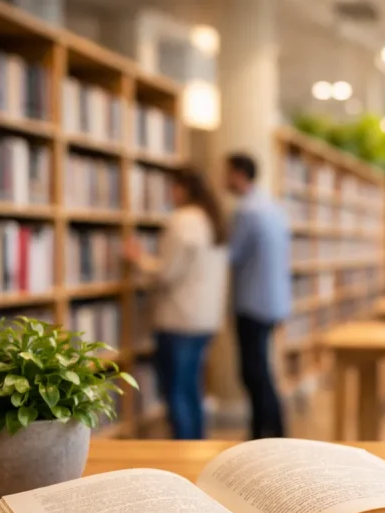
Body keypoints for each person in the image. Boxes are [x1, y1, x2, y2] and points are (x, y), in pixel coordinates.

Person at [124, 167, 228, 440]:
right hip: (205, 319)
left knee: (176, 392)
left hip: (180, 318)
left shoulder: (183, 221)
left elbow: (166, 272)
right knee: (192, 389)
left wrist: (139, 259)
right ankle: (196, 450)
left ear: (183, 188)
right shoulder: (211, 219)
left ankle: (183, 451)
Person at [226, 152, 291, 440]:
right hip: (275, 301)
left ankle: (262, 435)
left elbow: (232, 254)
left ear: (239, 174)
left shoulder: (247, 211)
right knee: (263, 370)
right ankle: (272, 431)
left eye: (226, 172)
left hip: (253, 302)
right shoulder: (273, 207)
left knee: (254, 373)